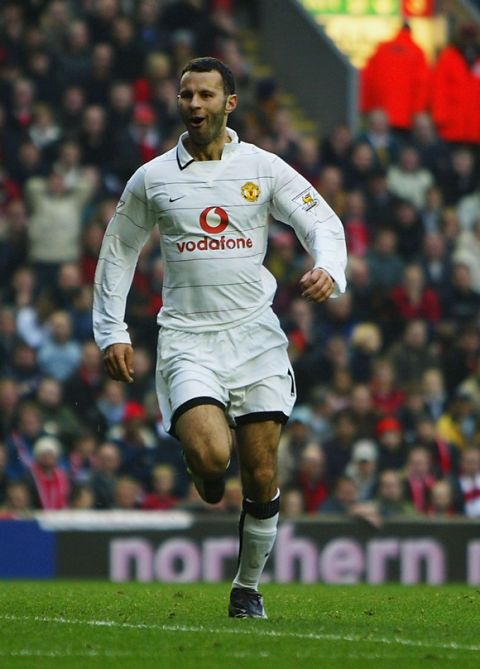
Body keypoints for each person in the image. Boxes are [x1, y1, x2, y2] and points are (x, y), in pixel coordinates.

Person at [92, 57, 347, 619]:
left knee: (260, 473)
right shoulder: (154, 178)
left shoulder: (263, 167)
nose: (195, 105)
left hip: (255, 338)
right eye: (186, 95)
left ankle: (247, 587)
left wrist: (330, 267)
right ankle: (203, 469)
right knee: (212, 456)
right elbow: (118, 252)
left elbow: (321, 221)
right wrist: (111, 329)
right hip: (189, 338)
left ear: (230, 103)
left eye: (206, 95)